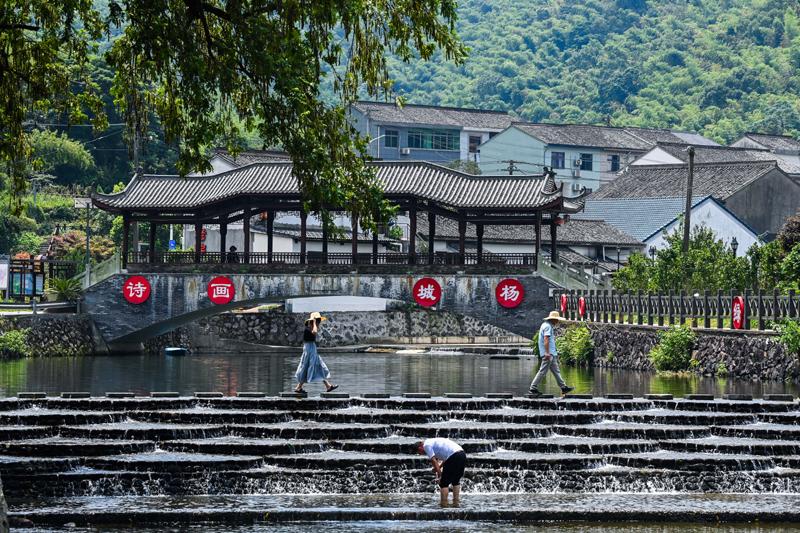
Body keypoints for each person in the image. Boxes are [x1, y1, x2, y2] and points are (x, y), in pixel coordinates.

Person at [529, 310, 574, 397]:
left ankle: (563, 387)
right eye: (556, 319)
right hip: (548, 354)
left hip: (551, 353)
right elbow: (546, 339)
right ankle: (533, 388)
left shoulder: (545, 325)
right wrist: (547, 353)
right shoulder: (548, 327)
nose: (557, 321)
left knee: (556, 371)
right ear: (553, 319)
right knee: (542, 371)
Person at [294, 312, 338, 394]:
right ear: (313, 321)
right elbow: (314, 332)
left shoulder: (310, 328)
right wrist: (314, 322)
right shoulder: (308, 329)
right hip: (309, 349)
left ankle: (328, 386)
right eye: (318, 321)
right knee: (308, 366)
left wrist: (314, 324)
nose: (319, 323)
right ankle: (299, 387)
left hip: (311, 348)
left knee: (318, 365)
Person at [417, 437, 467, 506]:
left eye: (419, 452)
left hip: (454, 456)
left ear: (420, 447)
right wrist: (439, 467)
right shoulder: (433, 442)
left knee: (443, 483)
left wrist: (440, 475)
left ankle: (444, 505)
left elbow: (434, 461)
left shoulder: (426, 445)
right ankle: (456, 503)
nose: (421, 454)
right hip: (462, 454)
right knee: (455, 481)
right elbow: (447, 458)